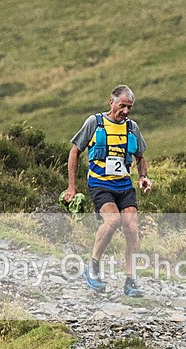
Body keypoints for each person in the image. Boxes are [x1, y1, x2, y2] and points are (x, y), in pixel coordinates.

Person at [65, 85, 152, 297]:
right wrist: (72, 186)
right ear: (111, 102)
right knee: (112, 221)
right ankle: (93, 267)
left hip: (124, 186)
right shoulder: (94, 122)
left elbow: (140, 156)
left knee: (132, 227)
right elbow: (75, 152)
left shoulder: (132, 127)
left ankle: (131, 280)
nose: (126, 111)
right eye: (122, 106)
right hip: (100, 184)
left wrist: (143, 176)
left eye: (129, 107)